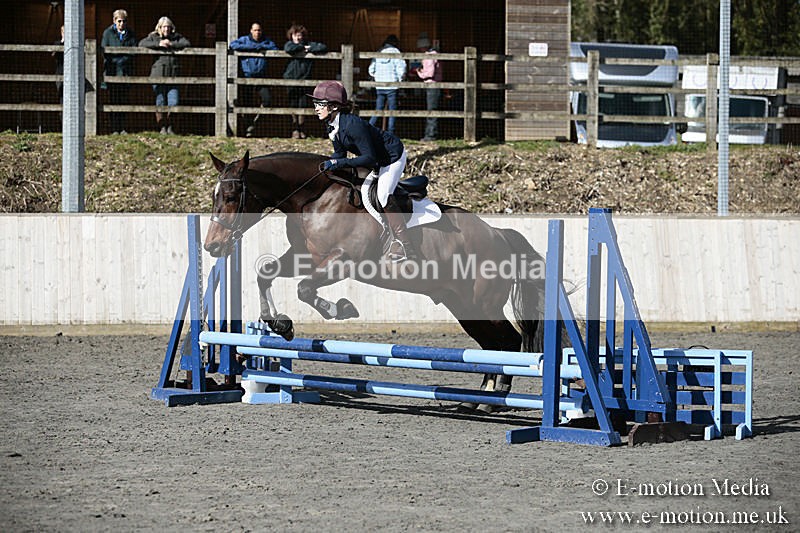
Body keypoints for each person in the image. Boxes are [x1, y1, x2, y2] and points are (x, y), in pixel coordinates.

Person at [310, 80, 416, 262]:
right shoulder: (332, 124)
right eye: (315, 103)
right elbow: (340, 153)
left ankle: (405, 245)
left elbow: (369, 158)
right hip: (375, 159)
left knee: (383, 196)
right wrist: (329, 164)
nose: (316, 108)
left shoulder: (352, 125)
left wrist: (338, 163)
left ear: (334, 107)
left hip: (391, 157)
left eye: (320, 104)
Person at [139, 16, 190, 134]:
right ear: (160, 28)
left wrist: (171, 44)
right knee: (160, 100)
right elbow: (142, 43)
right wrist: (159, 44)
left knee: (174, 101)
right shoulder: (154, 37)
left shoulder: (176, 37)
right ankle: (162, 127)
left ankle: (170, 127)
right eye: (164, 27)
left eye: (168, 27)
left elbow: (186, 43)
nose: (166, 29)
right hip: (158, 74)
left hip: (174, 75)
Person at [229, 22, 278, 137]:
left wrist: (261, 47)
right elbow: (233, 45)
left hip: (261, 77)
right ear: (251, 31)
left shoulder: (265, 41)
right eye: (255, 30)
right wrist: (252, 48)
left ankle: (256, 122)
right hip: (247, 77)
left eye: (259, 30)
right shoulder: (244, 40)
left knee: (267, 100)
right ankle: (247, 128)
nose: (257, 32)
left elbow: (274, 47)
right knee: (247, 103)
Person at [283, 23, 327, 139]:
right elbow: (288, 48)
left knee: (303, 103)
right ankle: (295, 129)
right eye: (295, 35)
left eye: (300, 35)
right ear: (291, 36)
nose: (298, 38)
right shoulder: (290, 45)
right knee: (293, 104)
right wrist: (303, 48)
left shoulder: (309, 44)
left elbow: (322, 47)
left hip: (305, 79)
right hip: (291, 79)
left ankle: (302, 129)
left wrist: (309, 48)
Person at [100, 9, 137, 134]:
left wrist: (124, 58)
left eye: (124, 21)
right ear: (114, 21)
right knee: (114, 100)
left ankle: (123, 127)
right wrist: (118, 59)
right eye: (119, 21)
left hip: (126, 72)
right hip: (112, 71)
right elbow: (104, 51)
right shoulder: (108, 33)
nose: (122, 24)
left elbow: (134, 50)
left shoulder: (130, 34)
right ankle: (114, 128)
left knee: (124, 100)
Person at [367, 34, 406, 135]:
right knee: (392, 110)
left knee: (378, 109)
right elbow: (401, 69)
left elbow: (371, 69)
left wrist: (377, 77)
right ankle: (390, 132)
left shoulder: (379, 51)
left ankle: (368, 128)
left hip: (380, 85)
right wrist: (400, 80)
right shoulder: (396, 52)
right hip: (392, 85)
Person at [410, 32, 442, 142]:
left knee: (431, 110)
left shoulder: (429, 56)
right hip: (435, 84)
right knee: (432, 109)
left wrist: (419, 71)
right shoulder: (435, 54)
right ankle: (431, 133)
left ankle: (430, 135)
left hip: (431, 84)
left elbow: (429, 73)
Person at [52, 26, 64, 104]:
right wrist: (62, 42)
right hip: (60, 70)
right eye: (63, 31)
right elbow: (54, 54)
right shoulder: (57, 43)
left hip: (69, 71)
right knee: (61, 91)